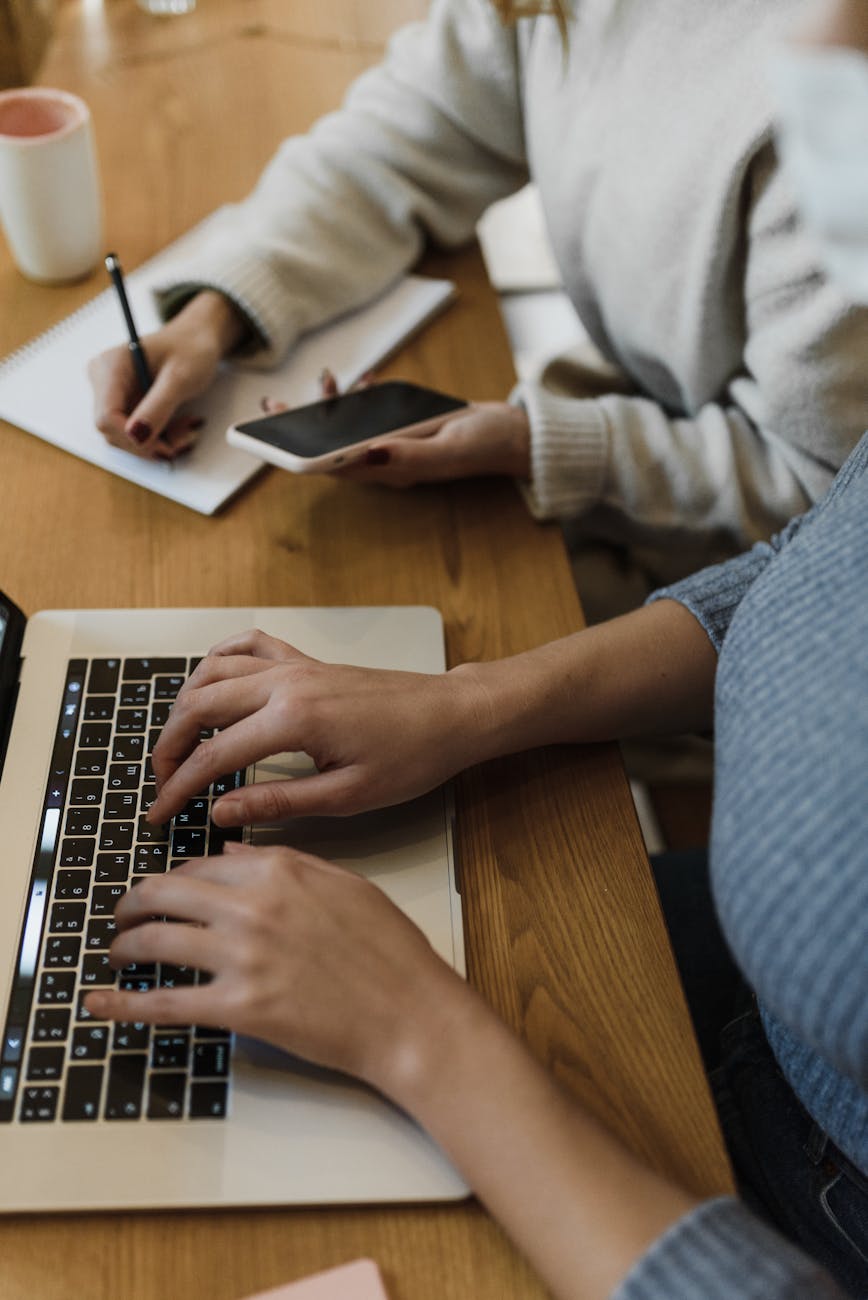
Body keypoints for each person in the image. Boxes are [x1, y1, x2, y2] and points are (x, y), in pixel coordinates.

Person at [83, 4, 868, 1293]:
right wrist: (467, 706)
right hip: (759, 995)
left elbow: (804, 479)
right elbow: (824, 553)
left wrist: (421, 1037)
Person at [87, 0, 868, 618]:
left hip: (745, 575)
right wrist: (217, 313)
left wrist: (537, 443)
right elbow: (406, 135)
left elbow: (828, 496)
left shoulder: (836, 76)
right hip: (630, 425)